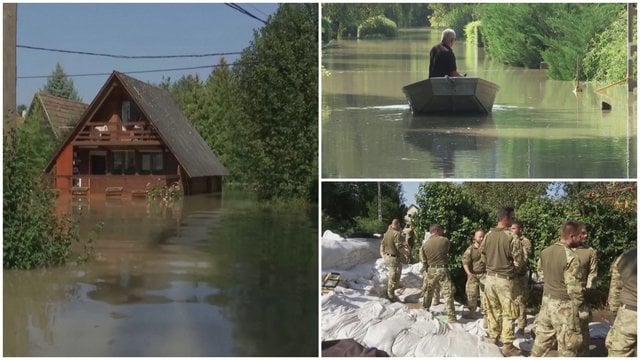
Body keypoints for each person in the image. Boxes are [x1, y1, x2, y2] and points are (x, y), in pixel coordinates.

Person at [531, 221, 585, 357]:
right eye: (579, 236)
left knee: (542, 341)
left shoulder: (545, 252)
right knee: (568, 346)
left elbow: (541, 274)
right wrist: (580, 308)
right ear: (572, 236)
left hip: (547, 303)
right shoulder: (572, 258)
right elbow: (574, 290)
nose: (581, 239)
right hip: (564, 307)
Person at [480, 206, 525, 356]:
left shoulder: (487, 235)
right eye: (512, 217)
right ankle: (507, 345)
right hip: (505, 280)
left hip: (489, 279)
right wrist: (513, 271)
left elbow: (483, 256)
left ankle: (493, 337)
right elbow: (519, 262)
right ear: (505, 218)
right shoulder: (512, 237)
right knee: (508, 312)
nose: (513, 220)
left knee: (492, 310)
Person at [420, 224, 457, 323]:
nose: (443, 232)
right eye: (441, 230)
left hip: (431, 270)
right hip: (442, 269)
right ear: (437, 230)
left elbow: (423, 260)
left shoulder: (425, 244)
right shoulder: (445, 240)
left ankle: (425, 310)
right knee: (447, 293)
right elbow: (447, 250)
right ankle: (451, 317)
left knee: (428, 292)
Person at [605, 247, 637, 356]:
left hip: (628, 314)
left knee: (618, 352)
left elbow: (615, 290)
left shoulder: (625, 257)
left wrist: (613, 313)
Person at [573, 223, 598, 356]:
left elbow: (593, 272)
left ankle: (584, 352)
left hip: (582, 293)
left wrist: (589, 288)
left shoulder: (590, 251)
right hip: (564, 295)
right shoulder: (565, 250)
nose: (586, 235)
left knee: (583, 324)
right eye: (582, 233)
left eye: (586, 232)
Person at [511, 221, 533, 335]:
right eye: (511, 228)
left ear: (520, 229)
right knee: (512, 300)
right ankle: (513, 321)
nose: (512, 230)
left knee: (521, 301)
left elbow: (524, 259)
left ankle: (521, 325)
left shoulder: (525, 241)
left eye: (514, 228)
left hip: (520, 276)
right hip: (510, 276)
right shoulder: (509, 239)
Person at [462, 229, 486, 319]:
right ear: (475, 237)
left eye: (483, 236)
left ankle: (486, 316)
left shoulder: (487, 248)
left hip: (485, 275)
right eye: (479, 236)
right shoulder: (470, 249)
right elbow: (465, 262)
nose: (481, 238)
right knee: (471, 295)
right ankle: (472, 313)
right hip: (473, 275)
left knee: (485, 296)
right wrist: (469, 274)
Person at [380, 219, 403, 301]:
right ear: (397, 224)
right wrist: (406, 253)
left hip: (388, 256)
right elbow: (399, 247)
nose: (400, 226)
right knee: (393, 276)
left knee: (398, 271)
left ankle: (394, 289)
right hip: (393, 258)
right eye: (399, 225)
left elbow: (382, 244)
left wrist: (382, 253)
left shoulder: (387, 232)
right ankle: (390, 294)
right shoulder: (396, 233)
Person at [423, 230, 441, 305]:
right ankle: (434, 299)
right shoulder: (437, 242)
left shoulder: (427, 243)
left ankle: (429, 301)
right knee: (432, 284)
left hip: (431, 266)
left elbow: (423, 257)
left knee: (430, 285)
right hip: (434, 266)